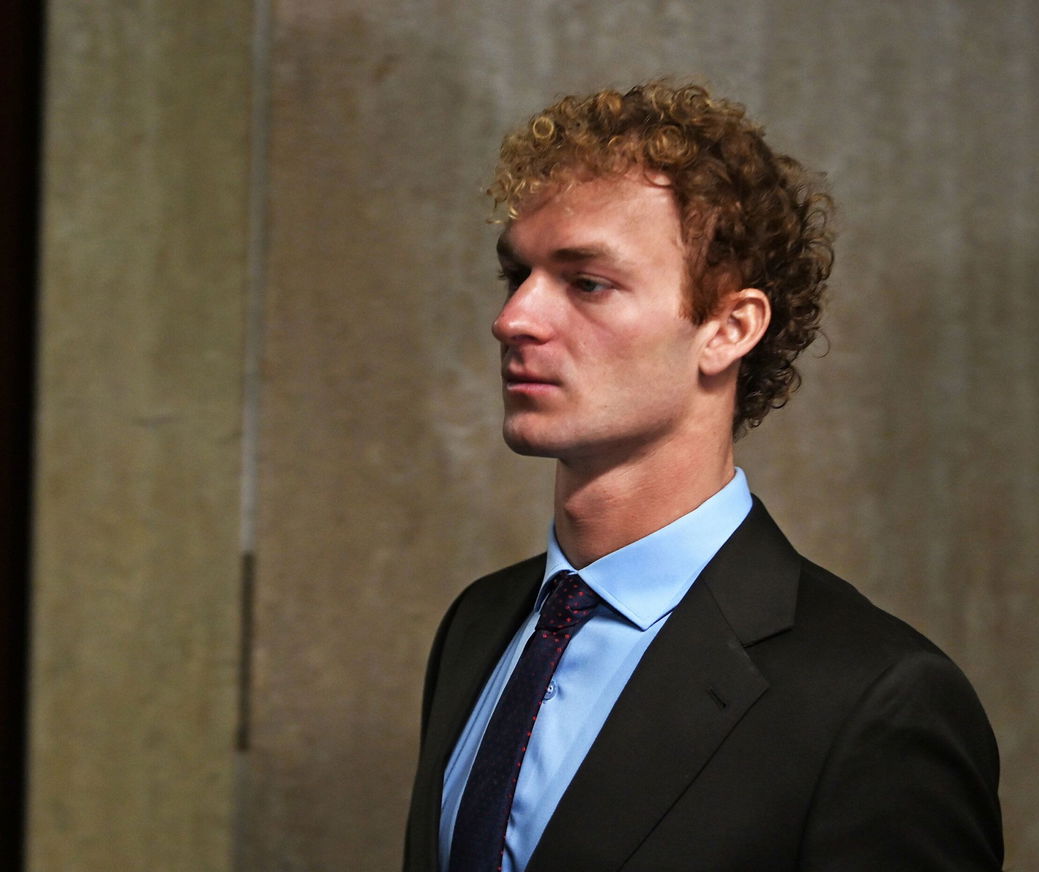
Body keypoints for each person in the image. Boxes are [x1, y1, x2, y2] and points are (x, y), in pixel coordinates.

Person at [404, 81, 1003, 872]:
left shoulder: (875, 700)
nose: (513, 319)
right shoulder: (480, 624)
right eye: (518, 275)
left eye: (587, 282)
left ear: (728, 328)